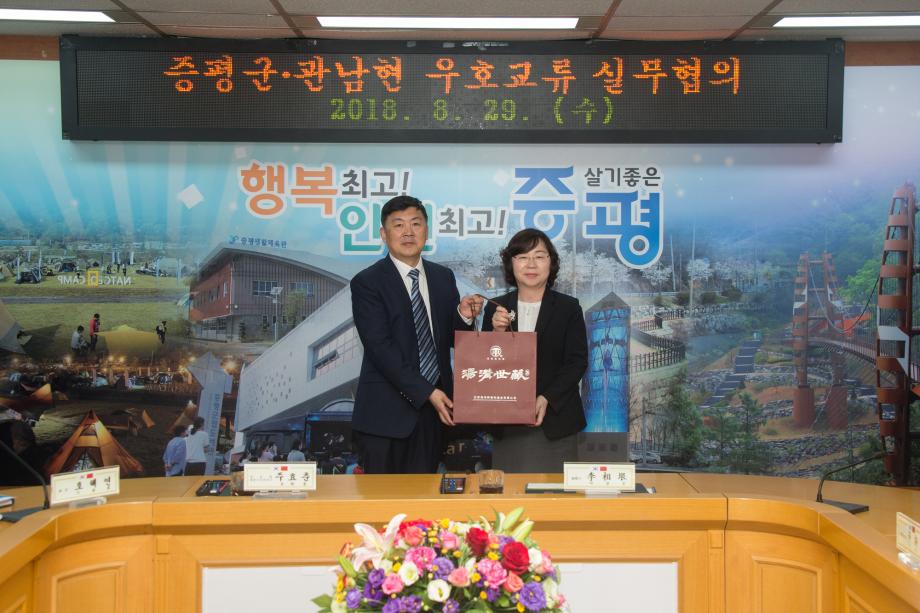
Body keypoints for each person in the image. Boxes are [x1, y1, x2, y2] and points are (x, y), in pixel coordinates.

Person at [350, 195, 483, 474]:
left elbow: (452, 340)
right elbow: (379, 347)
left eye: (416, 223)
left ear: (426, 230)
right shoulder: (367, 282)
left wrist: (464, 316)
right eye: (398, 225)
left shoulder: (442, 277)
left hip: (433, 416)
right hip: (384, 418)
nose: (408, 232)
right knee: (380, 498)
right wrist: (427, 392)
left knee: (424, 496)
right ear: (384, 234)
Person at [482, 228, 588, 473]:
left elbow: (577, 362)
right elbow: (486, 367)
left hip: (556, 422)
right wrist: (497, 334)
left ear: (551, 263)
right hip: (508, 424)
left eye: (539, 256)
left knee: (556, 494)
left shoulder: (568, 308)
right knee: (510, 493)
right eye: (522, 257)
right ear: (511, 264)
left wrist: (547, 397)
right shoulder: (496, 308)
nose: (531, 264)